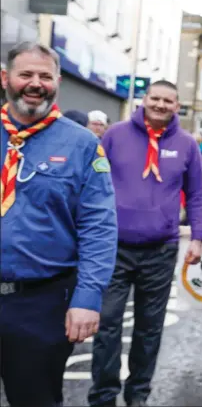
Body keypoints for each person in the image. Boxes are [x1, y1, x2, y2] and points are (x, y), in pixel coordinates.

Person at [0, 42, 117, 407]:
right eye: (25, 74)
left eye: (45, 76)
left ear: (57, 83)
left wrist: (87, 298)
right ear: (5, 78)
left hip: (42, 304)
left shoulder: (82, 144)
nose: (35, 83)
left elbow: (98, 226)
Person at [88, 80, 202, 407]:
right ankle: (102, 396)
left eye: (168, 100)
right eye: (155, 98)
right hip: (114, 248)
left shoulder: (187, 144)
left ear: (177, 106)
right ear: (144, 100)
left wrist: (198, 237)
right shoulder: (115, 135)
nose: (160, 105)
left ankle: (138, 394)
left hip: (161, 250)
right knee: (108, 326)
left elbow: (197, 194)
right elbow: (94, 184)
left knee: (148, 330)